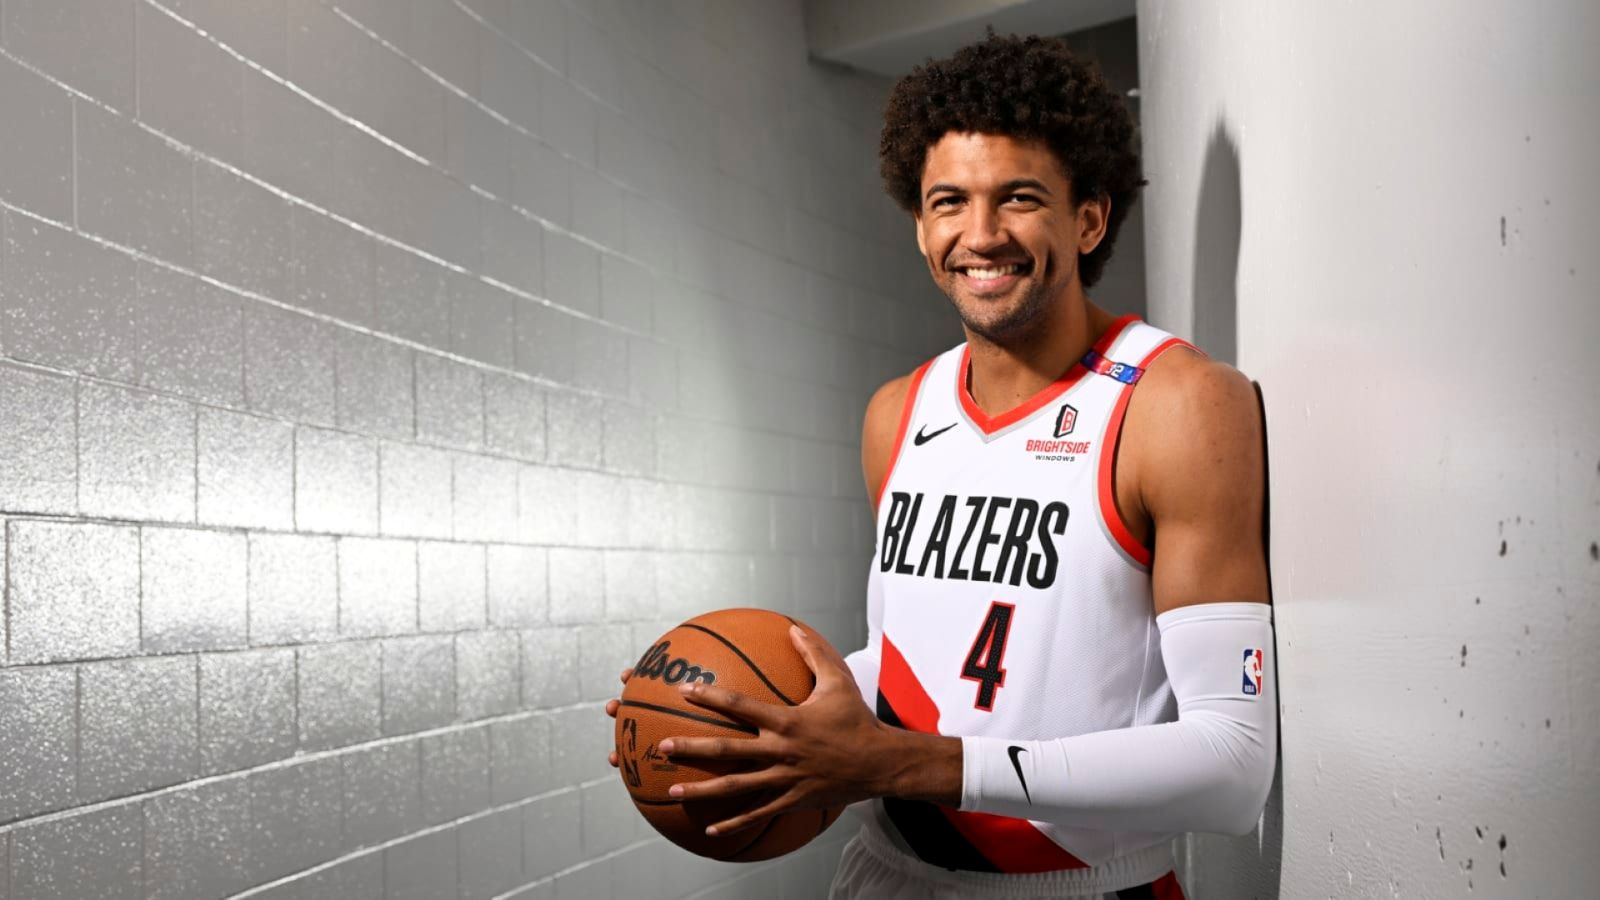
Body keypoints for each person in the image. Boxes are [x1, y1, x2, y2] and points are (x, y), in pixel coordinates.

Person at [609, 32, 1275, 899]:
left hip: (1076, 885)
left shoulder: (1177, 405)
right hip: (884, 875)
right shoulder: (899, 412)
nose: (981, 234)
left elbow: (1232, 765)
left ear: (1089, 218)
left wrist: (916, 764)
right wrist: (728, 718)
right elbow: (920, 661)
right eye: (949, 202)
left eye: (1020, 198)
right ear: (922, 227)